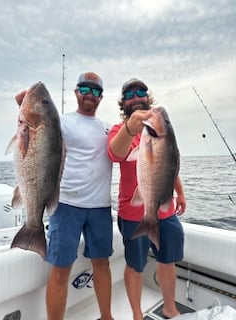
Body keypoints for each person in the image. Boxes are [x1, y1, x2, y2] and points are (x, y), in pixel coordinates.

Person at [107, 78, 186, 320]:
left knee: (168, 260)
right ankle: (137, 314)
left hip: (165, 209)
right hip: (133, 213)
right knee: (135, 265)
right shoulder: (119, 131)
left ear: (147, 97)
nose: (136, 97)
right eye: (129, 95)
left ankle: (169, 307)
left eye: (141, 92)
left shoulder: (161, 133)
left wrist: (180, 192)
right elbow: (114, 154)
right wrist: (132, 128)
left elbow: (169, 163)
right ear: (124, 103)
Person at [45, 72, 114, 320]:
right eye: (85, 89)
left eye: (95, 91)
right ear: (76, 92)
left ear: (101, 98)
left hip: (100, 207)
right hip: (65, 205)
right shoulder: (61, 121)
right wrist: (23, 101)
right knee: (61, 270)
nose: (89, 95)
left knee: (102, 265)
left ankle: (107, 316)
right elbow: (34, 123)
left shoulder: (108, 128)